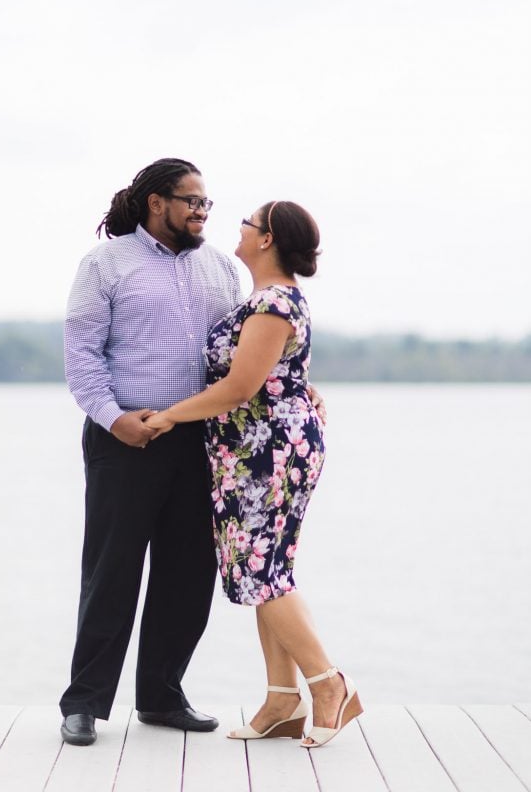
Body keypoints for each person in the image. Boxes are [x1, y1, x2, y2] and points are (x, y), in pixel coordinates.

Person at [59, 160, 327, 748]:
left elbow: (247, 355)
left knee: (188, 573)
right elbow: (81, 355)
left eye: (209, 203)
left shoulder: (218, 270)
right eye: (193, 202)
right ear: (157, 203)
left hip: (207, 441)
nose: (204, 212)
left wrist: (297, 385)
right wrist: (113, 418)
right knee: (111, 572)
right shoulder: (105, 264)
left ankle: (161, 696)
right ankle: (83, 705)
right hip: (125, 436)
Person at [146, 200, 362, 749]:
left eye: (247, 220)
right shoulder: (268, 299)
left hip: (267, 452)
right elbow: (273, 377)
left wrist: (169, 415)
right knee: (270, 573)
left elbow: (239, 388)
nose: (236, 227)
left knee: (260, 574)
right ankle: (281, 700)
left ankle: (328, 683)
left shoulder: (272, 302)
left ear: (266, 239)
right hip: (255, 448)